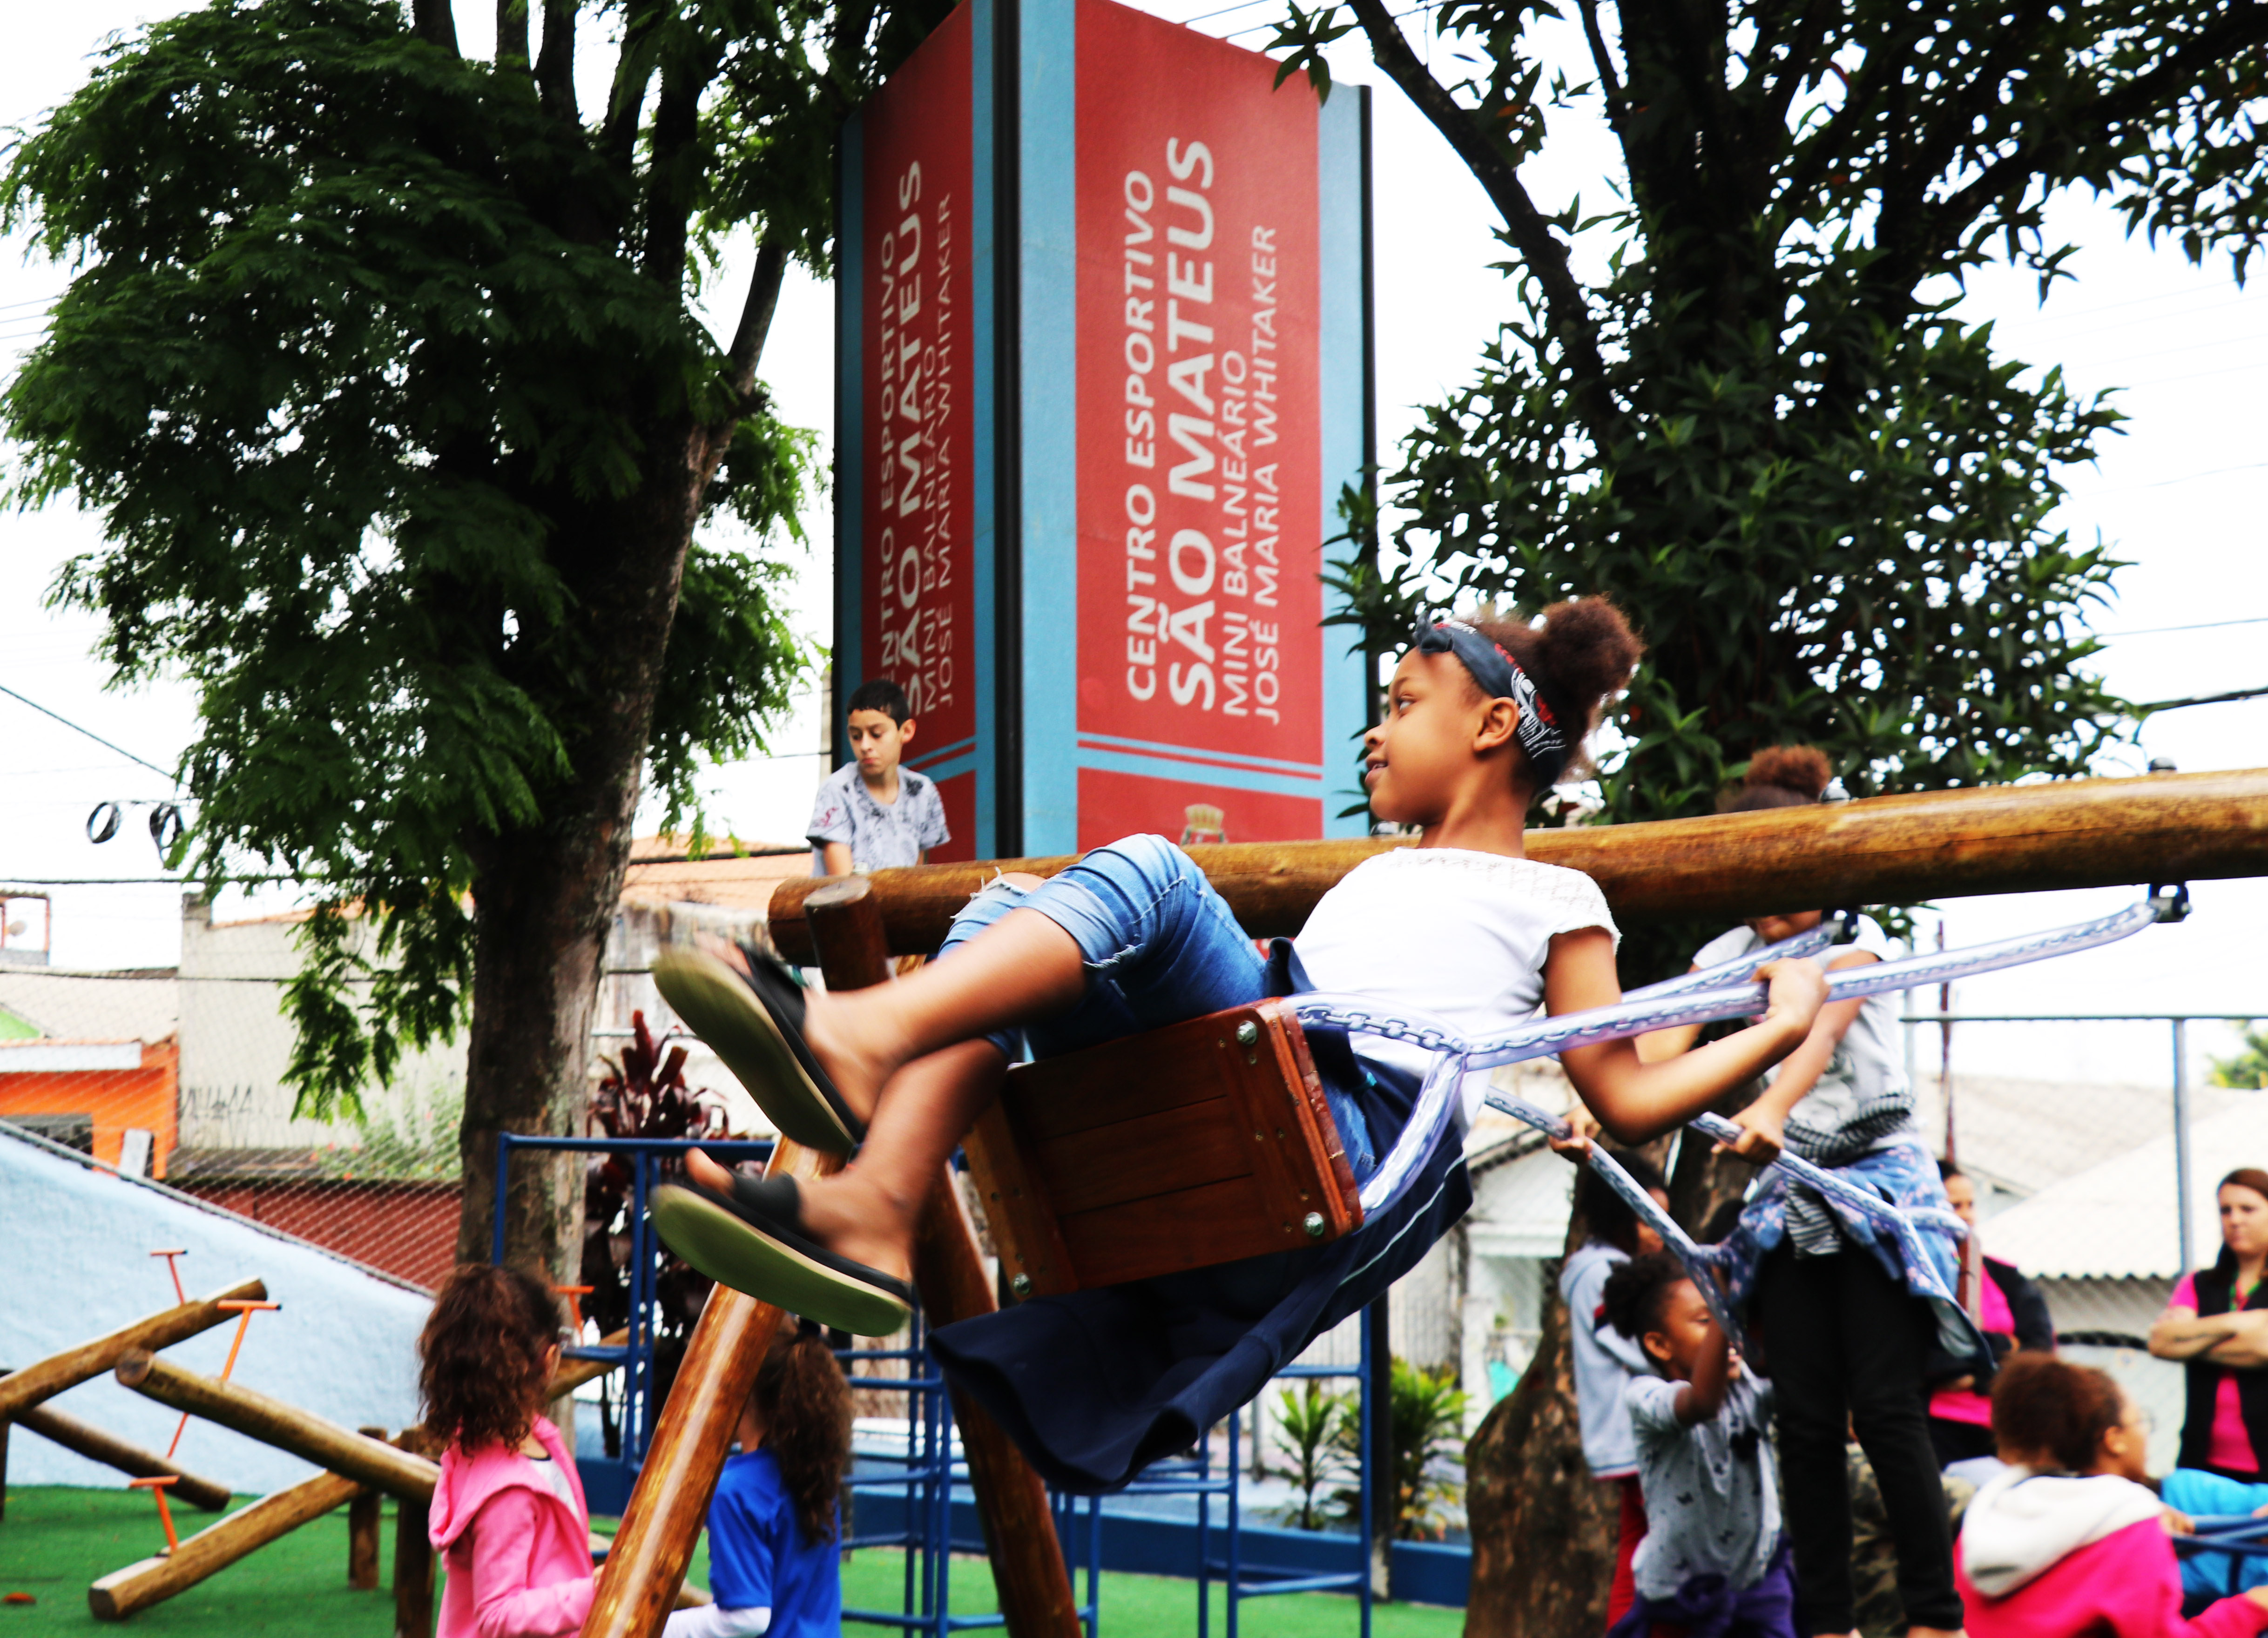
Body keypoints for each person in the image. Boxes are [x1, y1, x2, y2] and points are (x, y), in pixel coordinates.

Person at [653, 601, 1863, 1491]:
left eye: (1402, 706)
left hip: (1338, 1141)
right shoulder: (1375, 873)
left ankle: (857, 1039)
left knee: (1154, 875)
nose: (1375, 733)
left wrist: (1782, 1018)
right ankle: (877, 1203)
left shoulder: (1559, 900)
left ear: (1495, 724)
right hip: (1249, 1093)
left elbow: (1632, 1097)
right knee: (1007, 910)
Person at [1647, 745, 1964, 1638]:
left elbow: (1817, 1030)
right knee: (1806, 1416)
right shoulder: (1729, 954)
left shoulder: (1856, 943)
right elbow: (1662, 1040)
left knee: (1888, 1405)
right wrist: (1604, 1101)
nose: (1775, 909)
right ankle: (1826, 1624)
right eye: (1758, 883)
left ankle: (1936, 1618)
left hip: (1870, 1192)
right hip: (1788, 1197)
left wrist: (1775, 1106)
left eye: (1791, 883)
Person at [1957, 1353, 2268, 1638]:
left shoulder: (1989, 1516)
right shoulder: (2131, 1530)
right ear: (2114, 1440)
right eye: (2140, 1421)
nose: (2145, 1434)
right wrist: (2255, 1607)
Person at [1600, 1250, 1795, 1638]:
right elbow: (1702, 1404)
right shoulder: (1647, 1397)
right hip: (1678, 1602)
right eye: (1708, 1321)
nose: (1728, 1331)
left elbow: (1815, 1392)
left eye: (1727, 1318)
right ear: (1660, 1345)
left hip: (1759, 1589)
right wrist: (1722, 1297)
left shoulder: (1752, 1391)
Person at [422, 1265, 594, 1638]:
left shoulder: (507, 1445)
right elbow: (498, 1613)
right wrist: (592, 1593)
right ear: (549, 1360)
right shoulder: (508, 1492)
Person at [667, 1328, 849, 1638]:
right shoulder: (817, 1476)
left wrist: (658, 1627)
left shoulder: (735, 1489)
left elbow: (746, 1618)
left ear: (742, 1391)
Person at [1563, 1148, 1671, 1628]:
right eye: (1650, 1219)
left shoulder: (1606, 1268)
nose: (1661, 1233)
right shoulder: (1600, 1273)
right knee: (1658, 1546)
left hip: (1631, 1437)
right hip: (1634, 1437)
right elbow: (1631, 1348)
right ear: (1620, 1216)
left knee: (1642, 1544)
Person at [2150, 1170, 2268, 1585]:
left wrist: (2198, 1338)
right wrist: (2249, 1322)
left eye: (2248, 1209)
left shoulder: (2202, 1300)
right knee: (2200, 1566)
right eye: (2226, 1210)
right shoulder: (2200, 1283)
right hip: (2203, 1461)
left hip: (2264, 1471)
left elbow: (2265, 1348)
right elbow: (2162, 1341)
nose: (2235, 1219)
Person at [1930, 1159, 2055, 1467]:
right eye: (1955, 1205)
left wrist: (1974, 1372)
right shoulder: (1920, 1278)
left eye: (1971, 1204)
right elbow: (1935, 1361)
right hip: (1940, 1430)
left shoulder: (2004, 1276)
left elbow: (2039, 1350)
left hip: (2008, 1428)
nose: (1967, 1215)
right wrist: (2005, 1347)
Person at [805, 679, 947, 876]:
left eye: (876, 734)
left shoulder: (923, 792)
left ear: (906, 731)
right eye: (856, 736)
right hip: (845, 905)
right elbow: (843, 888)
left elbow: (918, 877)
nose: (865, 746)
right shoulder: (837, 790)